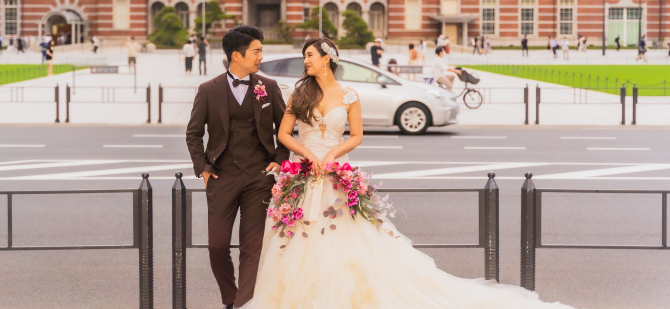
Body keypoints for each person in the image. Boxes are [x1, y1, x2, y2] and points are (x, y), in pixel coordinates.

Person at [241, 38, 578, 309]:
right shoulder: (299, 93)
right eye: (304, 57)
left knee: (344, 238)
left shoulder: (349, 95)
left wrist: (331, 153)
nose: (306, 61)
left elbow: (356, 136)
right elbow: (284, 134)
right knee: (296, 239)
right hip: (303, 175)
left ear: (327, 58)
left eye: (310, 55)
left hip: (333, 174)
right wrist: (306, 153)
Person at [185, 25, 290, 309]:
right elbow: (193, 133)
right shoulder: (208, 89)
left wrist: (279, 162)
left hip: (259, 177)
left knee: (251, 247)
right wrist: (203, 169)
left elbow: (284, 130)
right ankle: (230, 299)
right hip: (222, 176)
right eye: (256, 51)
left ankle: (245, 304)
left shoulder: (268, 87)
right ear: (236, 55)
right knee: (217, 246)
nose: (260, 57)